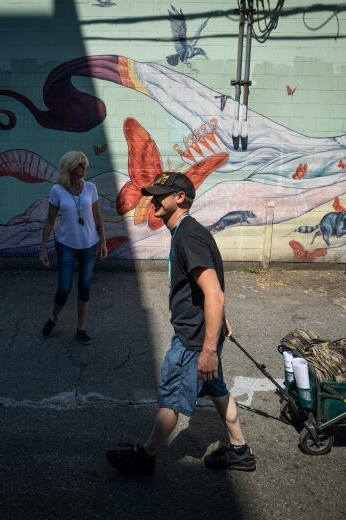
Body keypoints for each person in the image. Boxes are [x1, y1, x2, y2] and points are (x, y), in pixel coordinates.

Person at [106, 172, 255, 475]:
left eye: (160, 194)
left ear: (180, 198)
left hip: (193, 340)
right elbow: (208, 290)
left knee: (171, 399)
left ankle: (145, 456)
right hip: (202, 334)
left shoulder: (188, 236)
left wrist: (209, 349)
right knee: (216, 389)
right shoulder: (187, 232)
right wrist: (219, 324)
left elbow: (213, 291)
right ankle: (240, 449)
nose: (153, 200)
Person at [39, 151, 107, 344]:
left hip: (89, 245)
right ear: (70, 167)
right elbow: (50, 220)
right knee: (64, 288)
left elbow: (98, 218)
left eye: (85, 165)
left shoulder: (91, 188)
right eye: (80, 165)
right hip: (66, 245)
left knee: (85, 288)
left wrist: (103, 241)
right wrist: (43, 248)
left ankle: (81, 328)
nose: (84, 168)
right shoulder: (57, 191)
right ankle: (53, 318)